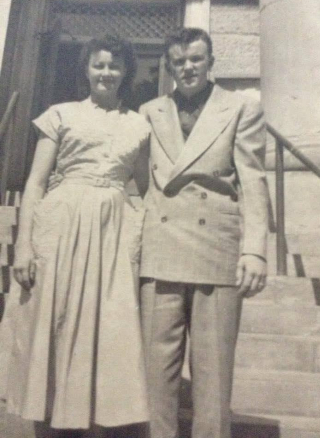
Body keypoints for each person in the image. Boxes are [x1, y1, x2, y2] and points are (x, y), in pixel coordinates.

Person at [1, 35, 150, 438]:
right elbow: (34, 183)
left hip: (111, 232)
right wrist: (23, 245)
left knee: (104, 328)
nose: (106, 73)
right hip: (61, 224)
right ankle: (47, 420)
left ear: (125, 72)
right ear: (86, 69)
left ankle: (92, 423)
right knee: (53, 322)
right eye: (99, 65)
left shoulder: (138, 124)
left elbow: (147, 188)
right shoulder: (59, 115)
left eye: (114, 66)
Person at [138, 28, 269, 438]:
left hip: (216, 248)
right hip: (160, 250)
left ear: (211, 62)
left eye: (196, 59)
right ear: (169, 66)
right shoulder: (149, 111)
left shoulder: (240, 108)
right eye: (179, 61)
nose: (188, 67)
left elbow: (253, 182)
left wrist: (255, 250)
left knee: (212, 377)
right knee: (156, 373)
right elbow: (138, 183)